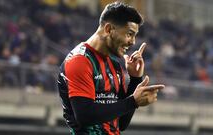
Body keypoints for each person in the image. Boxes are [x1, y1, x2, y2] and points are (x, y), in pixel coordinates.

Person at [57, 2, 165, 135]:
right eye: (129, 34)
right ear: (108, 29)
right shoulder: (79, 60)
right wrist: (132, 102)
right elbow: (84, 116)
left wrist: (135, 79)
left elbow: (121, 123)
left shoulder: (115, 66)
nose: (133, 42)